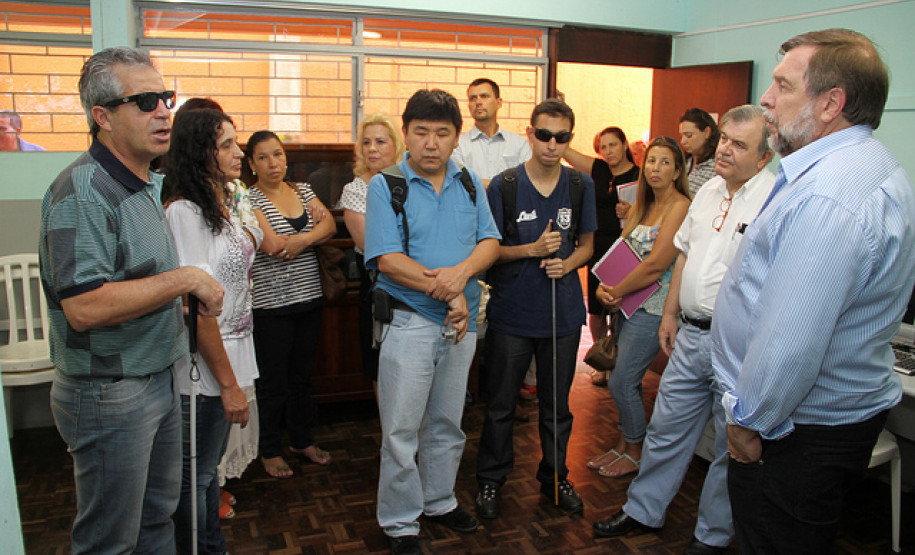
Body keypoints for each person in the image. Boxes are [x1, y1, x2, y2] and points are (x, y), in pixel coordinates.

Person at [712, 29, 915, 554]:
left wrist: (747, 423)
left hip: (793, 433)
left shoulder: (829, 195)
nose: (766, 99)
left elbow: (791, 340)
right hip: (816, 424)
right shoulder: (860, 166)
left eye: (782, 85)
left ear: (831, 103)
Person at [38, 46, 224, 554]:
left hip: (153, 379)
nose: (164, 110)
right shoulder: (83, 192)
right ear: (102, 117)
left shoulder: (143, 183)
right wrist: (185, 279)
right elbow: (84, 306)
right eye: (144, 101)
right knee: (109, 541)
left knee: (155, 523)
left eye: (165, 97)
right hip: (108, 393)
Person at [592, 105, 775, 554]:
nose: (726, 150)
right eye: (726, 140)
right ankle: (642, 510)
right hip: (690, 334)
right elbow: (684, 257)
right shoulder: (710, 189)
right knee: (667, 429)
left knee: (728, 444)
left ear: (765, 156)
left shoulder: (776, 200)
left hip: (738, 343)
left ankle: (711, 536)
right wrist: (671, 314)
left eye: (740, 144)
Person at [364, 89, 500, 555]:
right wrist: (450, 294)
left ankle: (439, 500)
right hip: (409, 323)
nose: (431, 143)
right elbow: (387, 260)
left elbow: (490, 243)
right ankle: (401, 521)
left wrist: (461, 280)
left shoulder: (468, 183)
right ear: (406, 133)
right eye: (421, 132)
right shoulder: (386, 184)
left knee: (447, 421)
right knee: (401, 431)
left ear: (456, 137)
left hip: (460, 325)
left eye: (442, 133)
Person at [475, 98, 596, 518]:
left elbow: (588, 246)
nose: (551, 144)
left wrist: (568, 262)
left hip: (562, 317)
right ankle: (491, 480)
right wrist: (531, 249)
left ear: (569, 140)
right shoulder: (504, 186)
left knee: (557, 407)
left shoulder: (580, 186)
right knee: (501, 406)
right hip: (511, 315)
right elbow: (488, 252)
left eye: (561, 137)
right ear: (529, 134)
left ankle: (556, 476)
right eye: (543, 135)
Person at [162, 108, 259, 554]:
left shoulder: (215, 203)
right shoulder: (184, 210)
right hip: (203, 366)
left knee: (207, 473)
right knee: (195, 476)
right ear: (201, 152)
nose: (238, 152)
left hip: (232, 352)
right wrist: (227, 384)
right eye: (226, 145)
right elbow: (194, 307)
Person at [593, 136, 691, 479]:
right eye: (651, 161)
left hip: (654, 308)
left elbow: (655, 265)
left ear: (678, 170)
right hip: (627, 304)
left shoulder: (680, 206)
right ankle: (622, 445)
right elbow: (623, 253)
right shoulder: (643, 204)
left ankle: (635, 451)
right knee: (622, 379)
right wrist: (606, 288)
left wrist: (616, 289)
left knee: (622, 381)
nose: (656, 168)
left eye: (665, 162)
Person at [246, 130, 337, 478]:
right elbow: (271, 245)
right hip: (271, 306)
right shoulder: (249, 198)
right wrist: (307, 239)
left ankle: (301, 439)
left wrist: (299, 242)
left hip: (310, 297)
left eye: (279, 155)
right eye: (264, 157)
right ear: (252, 164)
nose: (274, 163)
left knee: (302, 377)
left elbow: (327, 226)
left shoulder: (303, 190)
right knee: (273, 381)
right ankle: (269, 449)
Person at [563, 126, 640, 386]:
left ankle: (621, 360)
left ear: (624, 144)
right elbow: (567, 154)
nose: (608, 151)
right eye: (603, 147)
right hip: (597, 245)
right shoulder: (598, 169)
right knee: (596, 308)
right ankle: (602, 360)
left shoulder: (639, 175)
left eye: (613, 145)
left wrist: (631, 213)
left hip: (624, 247)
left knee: (620, 307)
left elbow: (652, 213)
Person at [340, 113, 405, 392]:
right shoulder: (355, 190)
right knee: (382, 364)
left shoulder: (412, 181)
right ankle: (390, 434)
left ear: (396, 146)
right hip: (379, 283)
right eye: (366, 142)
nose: (372, 148)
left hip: (419, 283)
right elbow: (370, 245)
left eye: (380, 141)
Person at [451, 78, 531, 185]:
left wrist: (479, 185)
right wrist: (506, 187)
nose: (478, 102)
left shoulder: (519, 144)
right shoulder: (458, 145)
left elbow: (529, 182)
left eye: (484, 96)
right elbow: (459, 183)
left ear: (499, 103)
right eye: (473, 98)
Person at [679, 108, 719, 197]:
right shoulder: (685, 162)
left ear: (707, 132)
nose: (683, 141)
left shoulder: (717, 167)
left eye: (689, 135)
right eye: (681, 136)